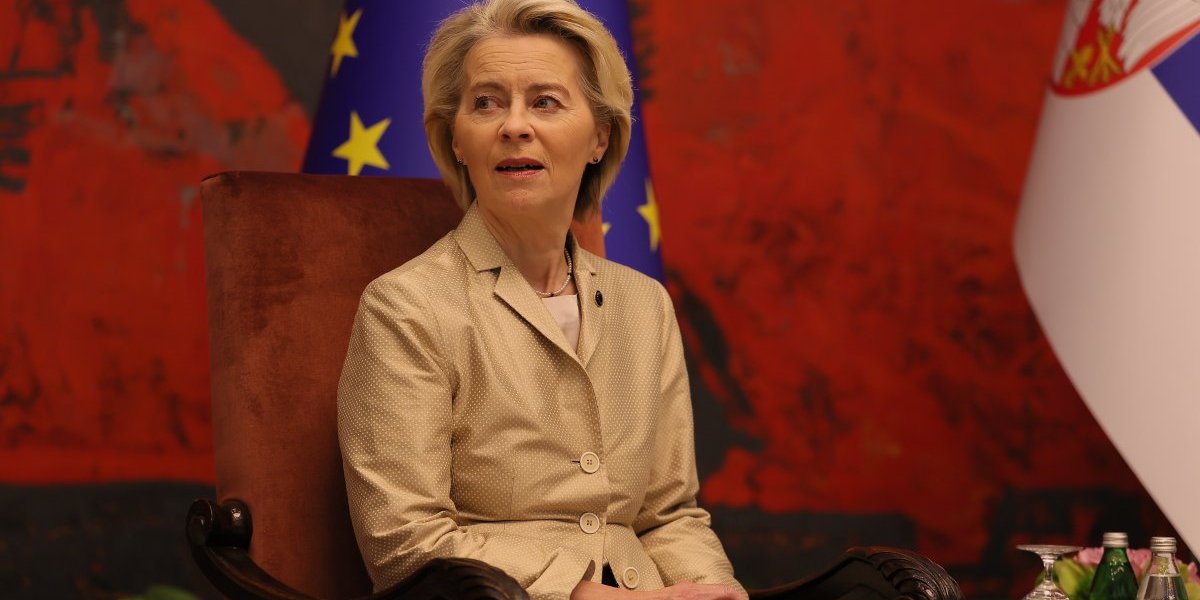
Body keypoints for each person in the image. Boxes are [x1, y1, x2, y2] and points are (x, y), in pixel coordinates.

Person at [336, 2, 746, 599]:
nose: (514, 126)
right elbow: (404, 543)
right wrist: (591, 596)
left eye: (545, 102)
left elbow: (668, 516)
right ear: (456, 140)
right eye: (486, 103)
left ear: (600, 136)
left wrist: (715, 590)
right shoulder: (404, 307)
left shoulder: (645, 305)